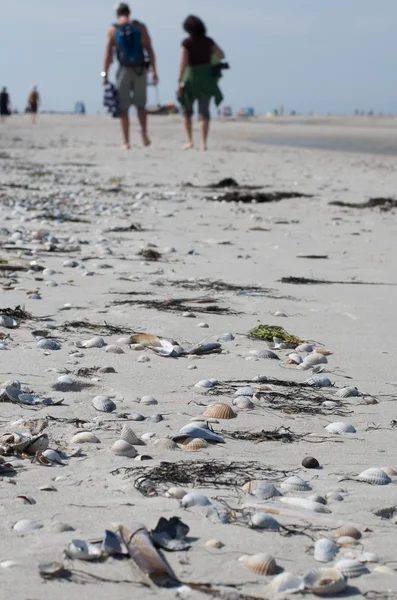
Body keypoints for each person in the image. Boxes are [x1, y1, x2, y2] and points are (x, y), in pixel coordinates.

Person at [102, 2, 158, 149]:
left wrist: (104, 75)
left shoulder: (113, 29)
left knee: (123, 107)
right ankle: (144, 133)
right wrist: (154, 71)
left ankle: (126, 141)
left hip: (123, 70)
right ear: (129, 12)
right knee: (141, 105)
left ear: (117, 14)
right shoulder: (140, 27)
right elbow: (150, 50)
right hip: (140, 70)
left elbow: (107, 56)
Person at [177, 16, 225, 151]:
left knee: (186, 110)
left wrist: (179, 81)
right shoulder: (208, 41)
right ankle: (203, 144)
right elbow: (221, 55)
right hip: (206, 78)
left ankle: (189, 141)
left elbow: (183, 63)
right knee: (204, 111)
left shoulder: (186, 43)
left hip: (191, 76)